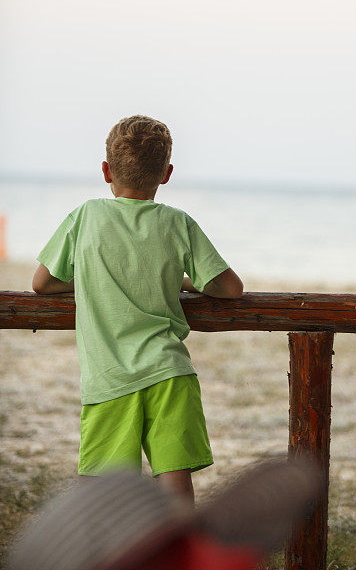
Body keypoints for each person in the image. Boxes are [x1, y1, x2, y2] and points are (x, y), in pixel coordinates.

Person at [32, 114, 244, 505]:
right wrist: (182, 279)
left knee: (100, 495)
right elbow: (230, 288)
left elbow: (42, 283)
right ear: (166, 174)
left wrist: (93, 277)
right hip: (169, 372)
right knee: (175, 486)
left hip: (109, 379)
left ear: (106, 170)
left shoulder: (85, 216)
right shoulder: (178, 222)